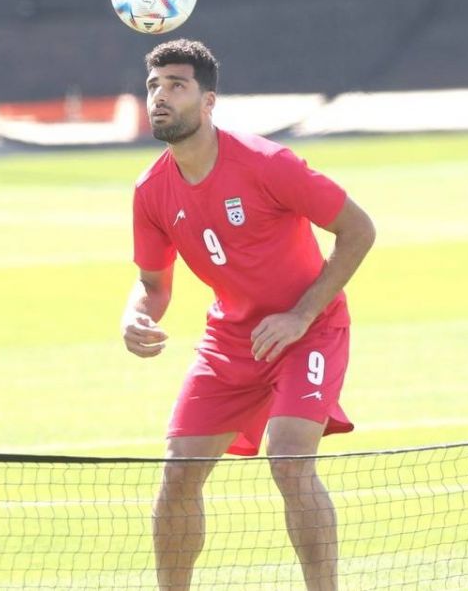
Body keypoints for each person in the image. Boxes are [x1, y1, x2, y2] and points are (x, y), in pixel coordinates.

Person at [121, 40, 376, 591]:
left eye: (176, 85)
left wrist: (301, 316)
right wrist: (135, 314)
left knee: (288, 461)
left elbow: (359, 230)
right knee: (178, 473)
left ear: (209, 101)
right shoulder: (150, 191)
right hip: (232, 339)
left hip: (311, 328)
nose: (159, 98)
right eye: (153, 86)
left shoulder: (268, 164)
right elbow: (153, 286)